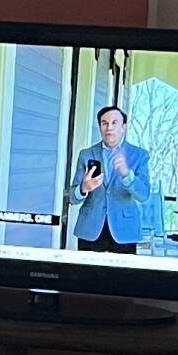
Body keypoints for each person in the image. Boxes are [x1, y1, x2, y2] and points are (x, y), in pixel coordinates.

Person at [69, 105, 150, 255]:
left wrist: (127, 175)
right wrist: (83, 188)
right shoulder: (86, 155)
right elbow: (72, 198)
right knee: (85, 277)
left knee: (122, 278)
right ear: (100, 126)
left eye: (114, 123)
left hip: (124, 231)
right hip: (90, 229)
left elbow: (144, 195)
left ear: (123, 127)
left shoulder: (139, 156)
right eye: (104, 123)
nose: (109, 127)